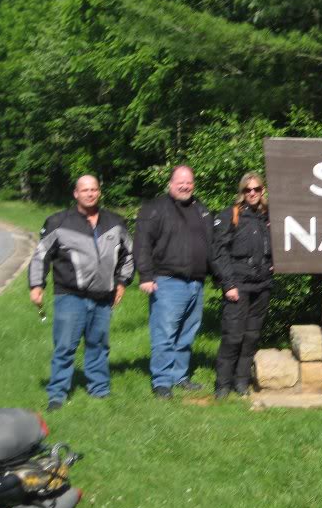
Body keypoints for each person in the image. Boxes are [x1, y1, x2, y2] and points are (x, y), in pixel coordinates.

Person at [28, 175, 134, 411]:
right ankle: (57, 394)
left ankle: (99, 389)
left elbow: (128, 255)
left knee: (98, 345)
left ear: (99, 192)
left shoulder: (115, 222)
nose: (90, 193)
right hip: (70, 295)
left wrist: (122, 282)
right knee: (65, 347)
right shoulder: (58, 222)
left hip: (103, 296)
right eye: (85, 190)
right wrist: (37, 285)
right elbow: (40, 256)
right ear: (76, 193)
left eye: (94, 189)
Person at [134, 165, 214, 399]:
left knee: (187, 334)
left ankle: (179, 376)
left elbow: (211, 243)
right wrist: (145, 276)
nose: (185, 186)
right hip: (168, 281)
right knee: (165, 334)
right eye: (180, 182)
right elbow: (142, 243)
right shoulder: (155, 208)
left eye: (189, 182)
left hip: (196, 282)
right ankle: (161, 382)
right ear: (170, 184)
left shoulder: (201, 209)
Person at [211, 172, 274, 398]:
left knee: (251, 337)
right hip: (238, 284)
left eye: (256, 189)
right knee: (233, 336)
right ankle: (222, 384)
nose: (252, 193)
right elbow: (218, 252)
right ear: (242, 192)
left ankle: (241, 381)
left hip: (262, 285)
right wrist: (228, 284)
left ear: (262, 190)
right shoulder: (231, 215)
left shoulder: (268, 216)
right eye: (248, 190)